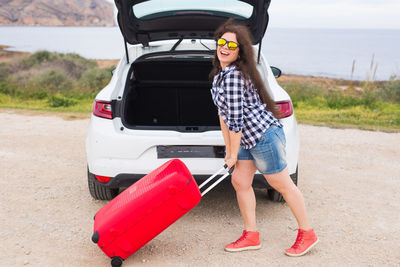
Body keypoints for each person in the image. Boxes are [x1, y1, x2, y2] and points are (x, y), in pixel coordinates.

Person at [209, 19, 318, 256]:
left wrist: (231, 153)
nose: (224, 47)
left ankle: (307, 233)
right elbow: (224, 117)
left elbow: (236, 121)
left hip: (263, 136)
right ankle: (251, 235)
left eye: (231, 44)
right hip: (246, 139)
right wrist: (230, 152)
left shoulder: (234, 77)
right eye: (221, 42)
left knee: (281, 184)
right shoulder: (220, 76)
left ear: (240, 53)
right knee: (240, 181)